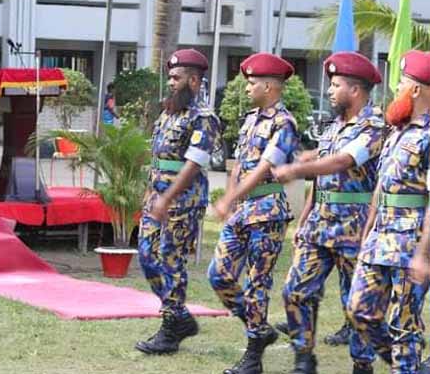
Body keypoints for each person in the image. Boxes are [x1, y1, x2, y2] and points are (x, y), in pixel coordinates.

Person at [272, 52, 383, 374]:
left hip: (355, 227)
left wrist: (294, 168)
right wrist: (304, 217)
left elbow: (342, 162)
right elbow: (322, 173)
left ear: (356, 90)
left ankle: (362, 365)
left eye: (336, 85)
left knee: (357, 303)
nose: (330, 91)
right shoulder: (334, 126)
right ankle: (303, 359)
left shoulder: (374, 127)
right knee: (295, 291)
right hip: (320, 225)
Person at [208, 52, 299, 374]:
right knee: (217, 275)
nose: (246, 88)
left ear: (270, 86)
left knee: (258, 281)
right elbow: (239, 163)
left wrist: (232, 196)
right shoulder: (250, 119)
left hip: (267, 211)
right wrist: (230, 199)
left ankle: (252, 354)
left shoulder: (284, 123)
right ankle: (260, 329)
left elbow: (264, 168)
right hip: (242, 211)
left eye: (252, 83)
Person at [347, 50, 430, 373]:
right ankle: (409, 364)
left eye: (400, 85)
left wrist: (423, 256)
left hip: (411, 244)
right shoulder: (396, 132)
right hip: (380, 238)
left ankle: (406, 365)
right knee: (359, 311)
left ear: (416, 90)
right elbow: (381, 188)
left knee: (404, 326)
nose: (395, 90)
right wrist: (367, 231)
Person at [135, 49, 221, 355]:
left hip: (182, 200)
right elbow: (158, 158)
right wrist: (151, 194)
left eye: (177, 77)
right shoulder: (168, 113)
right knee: (146, 256)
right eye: (169, 76)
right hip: (156, 197)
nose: (171, 82)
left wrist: (168, 198)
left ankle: (171, 328)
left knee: (171, 260)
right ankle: (182, 317)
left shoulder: (204, 119)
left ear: (194, 80)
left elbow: (192, 164)